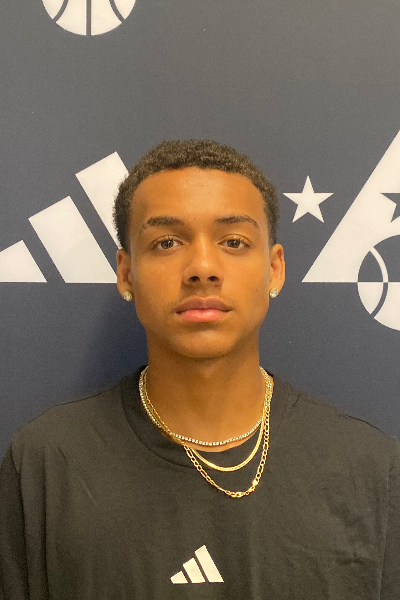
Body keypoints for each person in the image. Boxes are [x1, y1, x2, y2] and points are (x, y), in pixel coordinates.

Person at [0, 139, 399, 599]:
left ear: (274, 269)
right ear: (126, 274)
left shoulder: (369, 468)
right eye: (167, 242)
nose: (202, 268)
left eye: (233, 242)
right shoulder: (46, 464)